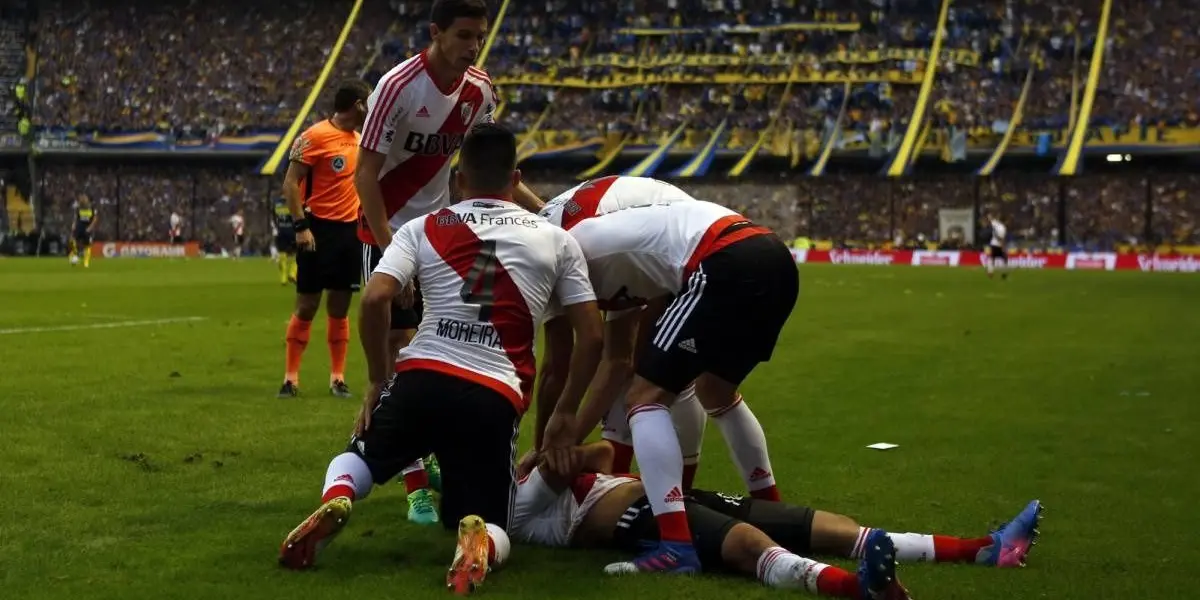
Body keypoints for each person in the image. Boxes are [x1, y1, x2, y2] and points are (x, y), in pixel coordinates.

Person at [278, 124, 604, 595]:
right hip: (493, 394)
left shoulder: (422, 227)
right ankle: (480, 542)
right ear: (515, 178)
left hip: (420, 379)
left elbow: (374, 301)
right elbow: (591, 336)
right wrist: (568, 410)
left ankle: (340, 496)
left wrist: (375, 381)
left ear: (458, 178)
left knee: (359, 457)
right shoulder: (557, 240)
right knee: (496, 521)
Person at [353, 0, 549, 523]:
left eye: (479, 36)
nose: (472, 46)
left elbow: (486, 164)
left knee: (457, 342)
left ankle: (445, 458)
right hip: (390, 232)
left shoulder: (479, 89)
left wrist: (543, 210)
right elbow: (365, 174)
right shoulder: (396, 86)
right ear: (435, 32)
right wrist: (390, 243)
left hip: (452, 237)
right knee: (398, 357)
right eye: (464, 35)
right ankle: (414, 483)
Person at [543, 199, 800, 574]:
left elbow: (603, 350)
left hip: (723, 259)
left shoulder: (573, 252)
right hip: (774, 258)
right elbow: (628, 348)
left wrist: (566, 419)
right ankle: (774, 514)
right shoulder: (613, 239)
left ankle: (676, 546)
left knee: (644, 399)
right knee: (715, 393)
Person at [511, 442, 1043, 598]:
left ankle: (982, 549)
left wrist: (556, 451)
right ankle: (856, 589)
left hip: (666, 495)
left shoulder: (520, 480)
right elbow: (574, 463)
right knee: (746, 543)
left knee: (821, 524)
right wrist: (549, 452)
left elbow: (605, 454)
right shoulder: (512, 506)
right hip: (636, 518)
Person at [537, 176, 708, 485]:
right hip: (645, 230)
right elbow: (554, 367)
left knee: (660, 373)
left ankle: (679, 495)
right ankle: (617, 469)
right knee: (632, 370)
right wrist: (545, 449)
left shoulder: (581, 256)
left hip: (684, 245)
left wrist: (563, 438)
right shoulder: (548, 248)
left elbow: (615, 358)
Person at [277, 78, 372, 400]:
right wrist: (301, 226)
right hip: (316, 228)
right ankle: (290, 378)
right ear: (357, 105)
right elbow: (290, 183)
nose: (371, 107)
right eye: (368, 101)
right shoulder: (314, 136)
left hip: (349, 231)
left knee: (340, 305)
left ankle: (337, 378)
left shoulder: (361, 140)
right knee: (307, 303)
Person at [273, 196, 298, 285]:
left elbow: (274, 217)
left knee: (282, 253)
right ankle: (292, 273)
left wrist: (278, 227)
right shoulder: (294, 201)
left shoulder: (276, 203)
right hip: (293, 231)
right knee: (300, 252)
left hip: (281, 231)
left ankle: (283, 277)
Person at [69, 193, 96, 268]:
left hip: (87, 228)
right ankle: (76, 253)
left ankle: (86, 263)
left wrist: (90, 227)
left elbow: (95, 219)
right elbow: (76, 217)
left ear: (87, 199)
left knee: (87, 245)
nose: (83, 199)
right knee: (72, 240)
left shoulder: (92, 208)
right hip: (79, 226)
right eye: (81, 198)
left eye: (84, 198)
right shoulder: (78, 208)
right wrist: (74, 224)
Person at [986, 213, 1008, 279]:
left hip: (993, 244)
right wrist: (1003, 247)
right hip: (998, 245)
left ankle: (990, 272)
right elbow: (1001, 239)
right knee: (1004, 258)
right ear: (1005, 221)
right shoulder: (1002, 228)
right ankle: (1004, 274)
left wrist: (989, 216)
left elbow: (991, 220)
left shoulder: (996, 224)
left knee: (992, 258)